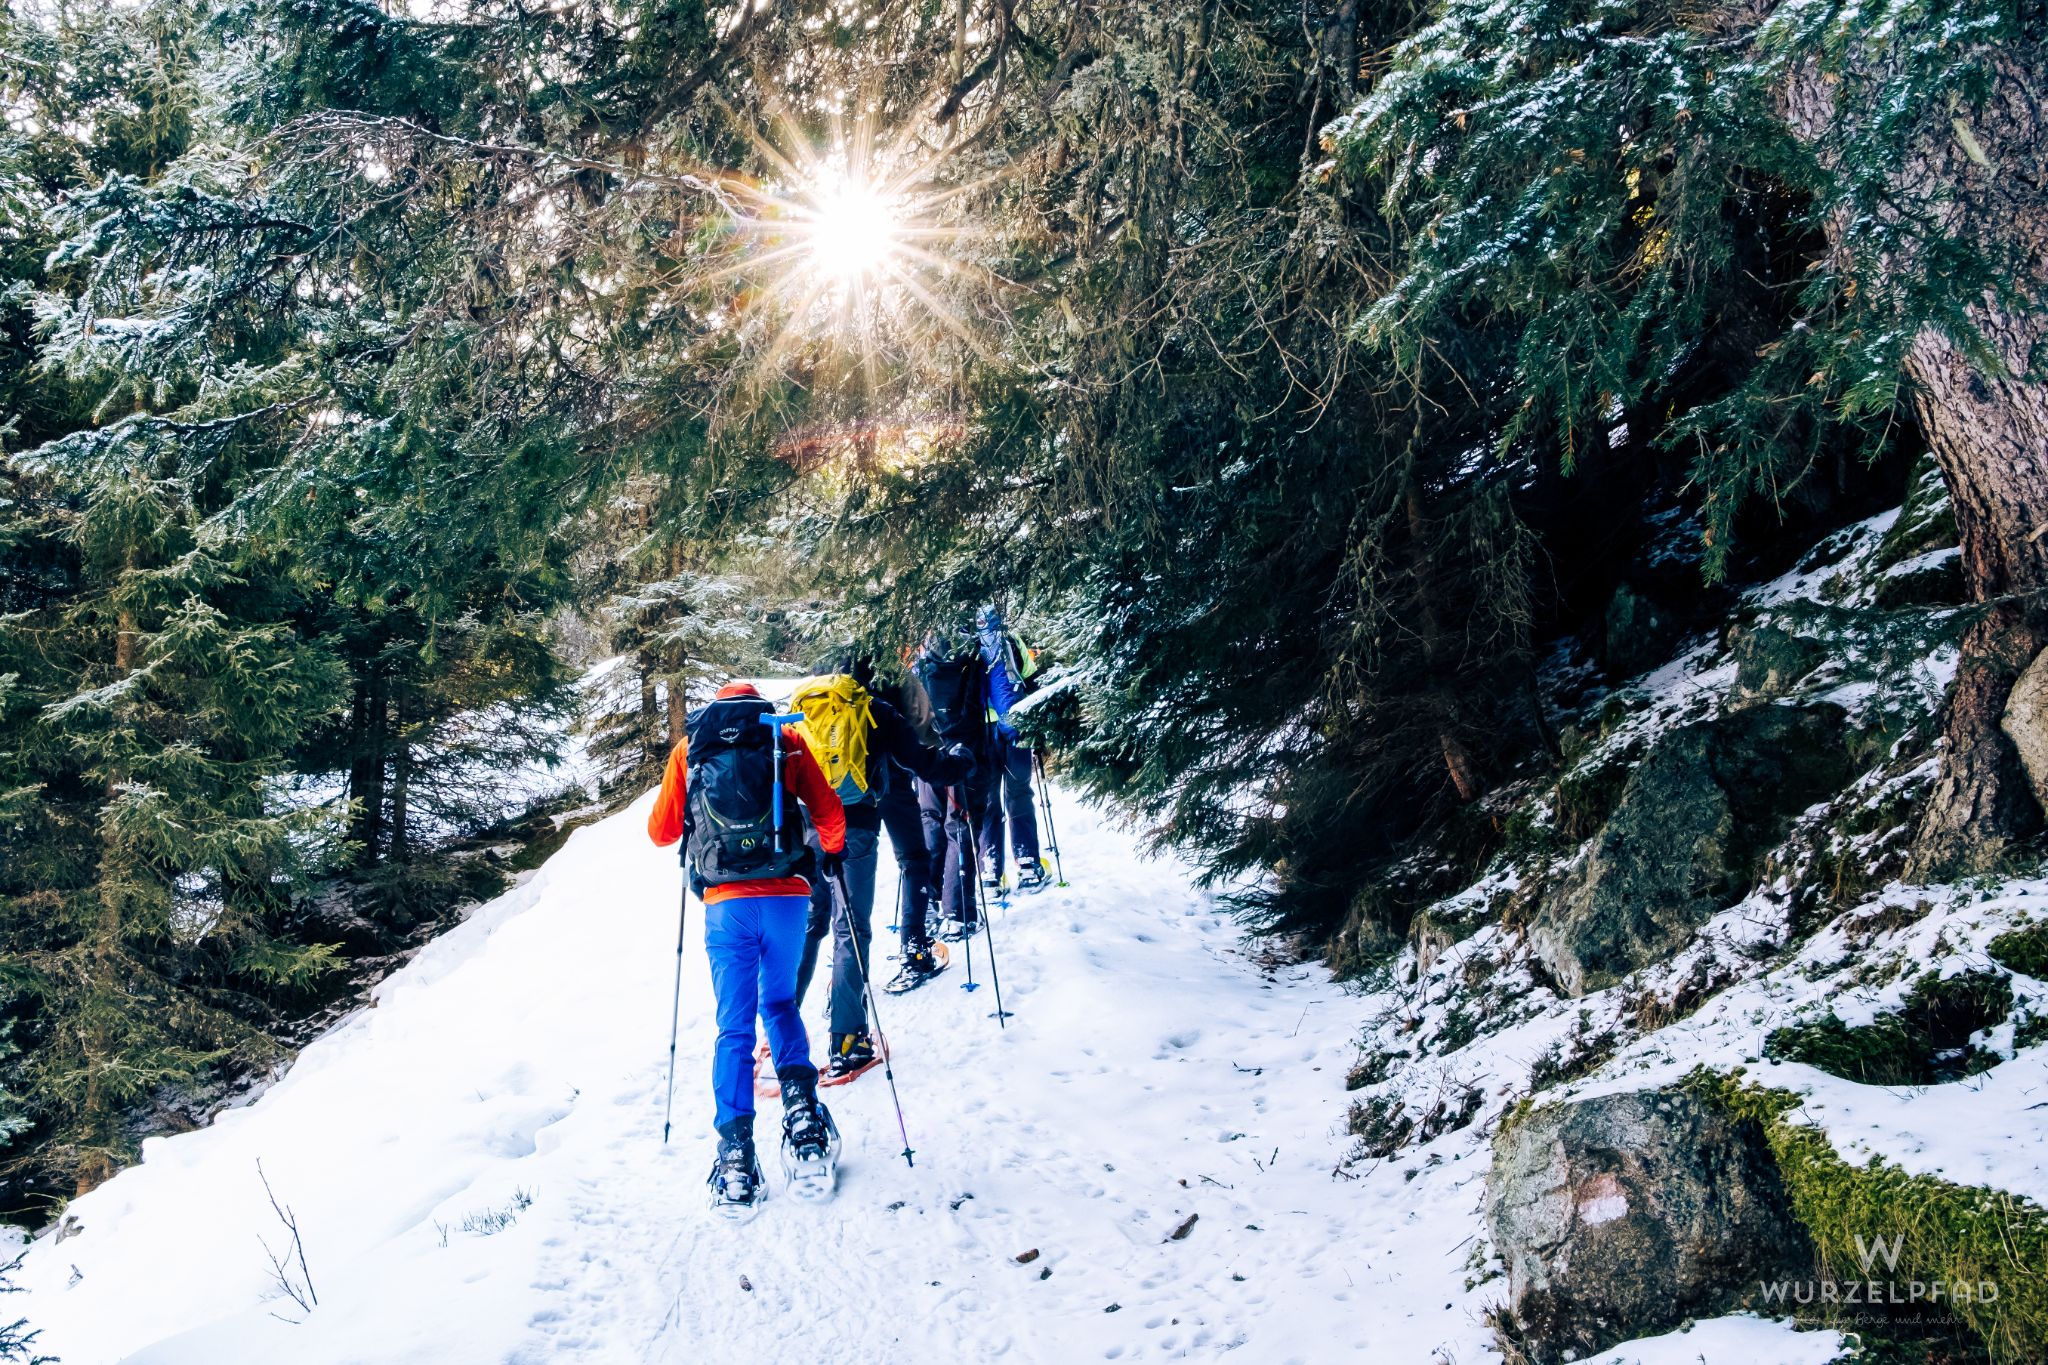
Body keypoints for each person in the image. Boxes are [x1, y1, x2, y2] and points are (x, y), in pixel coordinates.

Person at [647, 682, 846, 1217]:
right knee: (778, 1004)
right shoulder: (785, 738)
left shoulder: (693, 747)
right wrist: (831, 854)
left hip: (725, 904)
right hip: (787, 895)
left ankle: (736, 1157)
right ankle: (804, 1119)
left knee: (732, 1027)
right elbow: (829, 812)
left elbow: (660, 833)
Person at [791, 659, 972, 1071]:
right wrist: (961, 761)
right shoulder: (874, 706)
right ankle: (848, 1040)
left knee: (811, 921)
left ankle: (782, 1024)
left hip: (807, 829)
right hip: (854, 826)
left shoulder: (806, 704)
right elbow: (925, 762)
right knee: (851, 928)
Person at [913, 630, 998, 940]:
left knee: (931, 826)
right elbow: (999, 700)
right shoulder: (977, 657)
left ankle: (927, 904)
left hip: (929, 756)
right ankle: (958, 913)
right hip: (967, 755)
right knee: (960, 828)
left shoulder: (921, 663)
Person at [974, 605, 1049, 893]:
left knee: (989, 800)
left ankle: (990, 871)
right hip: (1015, 726)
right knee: (1019, 793)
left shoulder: (968, 648)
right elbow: (1030, 678)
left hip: (982, 732)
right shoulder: (1012, 640)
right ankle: (1028, 864)